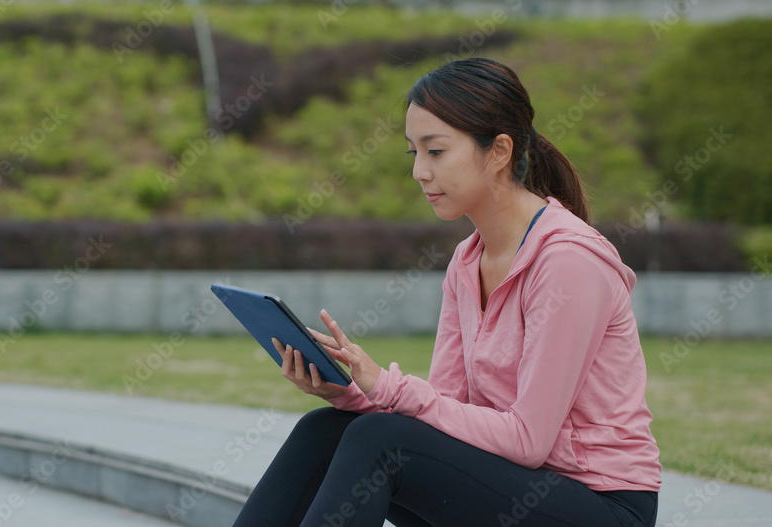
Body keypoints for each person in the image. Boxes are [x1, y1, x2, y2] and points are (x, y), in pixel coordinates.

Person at [231, 57, 661, 527]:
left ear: (498, 151)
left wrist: (391, 388)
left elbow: (528, 440)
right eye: (412, 152)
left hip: (599, 504)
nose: (419, 171)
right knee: (328, 431)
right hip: (511, 485)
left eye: (435, 152)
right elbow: (446, 409)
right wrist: (351, 390)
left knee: (381, 441)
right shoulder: (467, 261)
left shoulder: (568, 262)